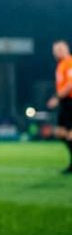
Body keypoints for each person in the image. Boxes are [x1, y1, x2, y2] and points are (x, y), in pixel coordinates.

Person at [46, 40, 72, 174]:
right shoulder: (61, 65)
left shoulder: (69, 62)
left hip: (70, 101)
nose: (56, 52)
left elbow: (70, 84)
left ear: (66, 49)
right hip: (65, 102)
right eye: (55, 50)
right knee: (61, 133)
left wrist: (57, 97)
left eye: (59, 49)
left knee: (69, 134)